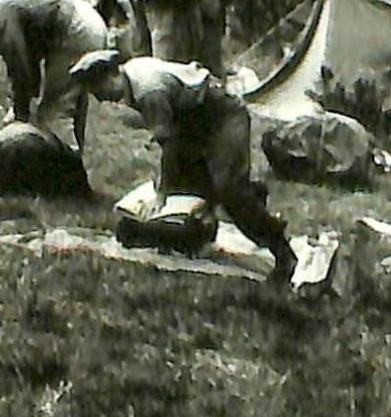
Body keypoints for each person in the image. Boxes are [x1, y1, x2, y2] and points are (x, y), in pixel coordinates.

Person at [70, 50, 298, 282]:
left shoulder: (148, 91)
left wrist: (161, 193)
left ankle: (281, 250)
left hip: (222, 115)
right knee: (188, 192)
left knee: (228, 191)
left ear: (112, 76)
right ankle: (243, 204)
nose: (102, 99)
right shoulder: (133, 73)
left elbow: (169, 146)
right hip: (193, 120)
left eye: (100, 90)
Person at [0, 0, 109, 153]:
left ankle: (64, 166)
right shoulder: (6, 2)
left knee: (54, 112)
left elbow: (19, 64)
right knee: (75, 100)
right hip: (89, 21)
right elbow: (31, 57)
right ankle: (74, 160)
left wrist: (20, 113)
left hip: (76, 31)